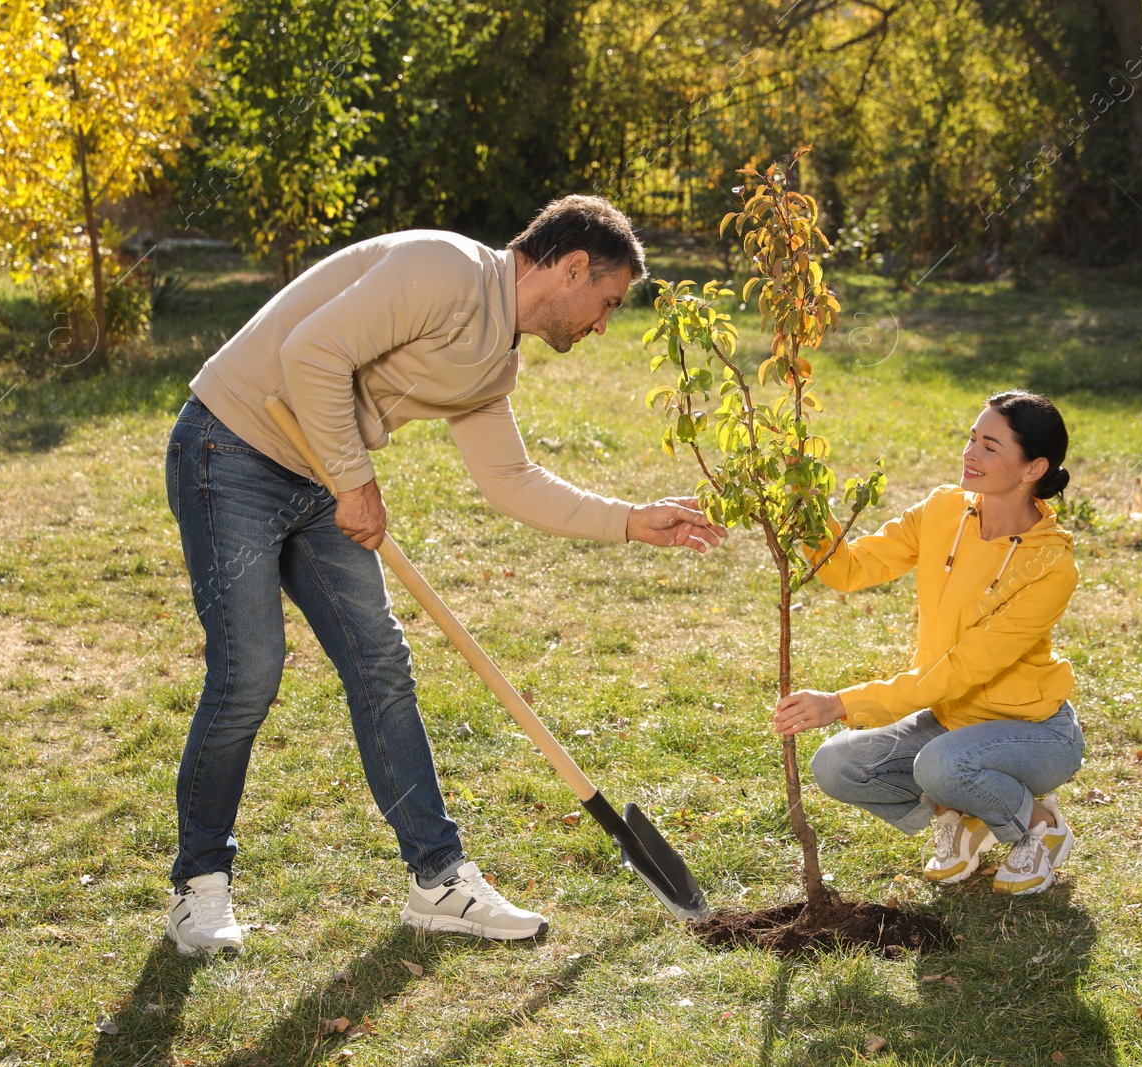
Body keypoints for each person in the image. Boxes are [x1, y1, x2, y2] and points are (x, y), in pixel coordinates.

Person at [163, 196, 726, 956]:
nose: (601, 325)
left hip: (317, 474)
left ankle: (437, 879)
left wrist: (631, 518)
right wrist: (356, 481)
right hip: (231, 447)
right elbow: (311, 353)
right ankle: (199, 888)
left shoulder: (493, 361)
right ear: (570, 267)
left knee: (381, 663)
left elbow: (512, 480)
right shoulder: (446, 268)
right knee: (249, 672)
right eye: (606, 303)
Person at [772, 391, 1083, 895]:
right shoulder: (943, 510)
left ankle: (1039, 826)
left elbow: (962, 668)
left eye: (990, 445)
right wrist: (804, 496)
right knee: (836, 764)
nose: (970, 453)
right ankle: (961, 813)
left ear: (1033, 469)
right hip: (949, 719)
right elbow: (848, 568)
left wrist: (844, 702)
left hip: (1035, 733)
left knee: (940, 764)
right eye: (971, 439)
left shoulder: (1051, 567)